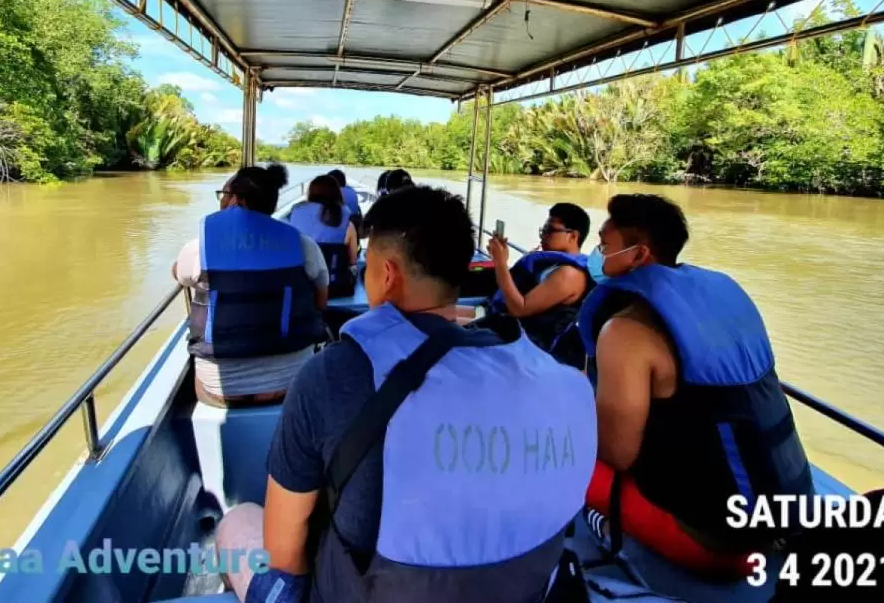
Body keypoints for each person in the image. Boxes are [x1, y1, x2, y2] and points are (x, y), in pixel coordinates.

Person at [216, 186, 598, 603]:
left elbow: (284, 553)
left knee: (237, 523)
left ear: (388, 274)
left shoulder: (332, 373)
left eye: (369, 263)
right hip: (521, 591)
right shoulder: (557, 379)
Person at [576, 193, 814, 575]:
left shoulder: (625, 330)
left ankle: (614, 540)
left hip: (717, 546)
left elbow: (616, 453)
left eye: (604, 245)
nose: (597, 254)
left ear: (638, 255)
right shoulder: (724, 294)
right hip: (786, 520)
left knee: (552, 449)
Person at [172, 164, 330, 407]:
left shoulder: (199, 247)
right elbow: (321, 303)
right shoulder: (304, 245)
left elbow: (179, 274)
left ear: (235, 200)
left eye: (223, 194)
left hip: (219, 390)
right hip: (291, 384)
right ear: (273, 204)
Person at [482, 203, 592, 350]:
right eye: (543, 230)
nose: (543, 235)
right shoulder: (550, 263)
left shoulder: (569, 275)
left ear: (573, 236)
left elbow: (519, 309)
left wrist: (500, 262)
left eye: (550, 230)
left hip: (521, 340)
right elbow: (512, 290)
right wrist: (503, 261)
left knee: (445, 326)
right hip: (502, 319)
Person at [287, 174, 360, 297]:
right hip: (337, 287)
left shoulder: (296, 212)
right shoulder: (346, 217)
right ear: (337, 193)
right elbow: (353, 260)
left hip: (303, 287)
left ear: (310, 192)